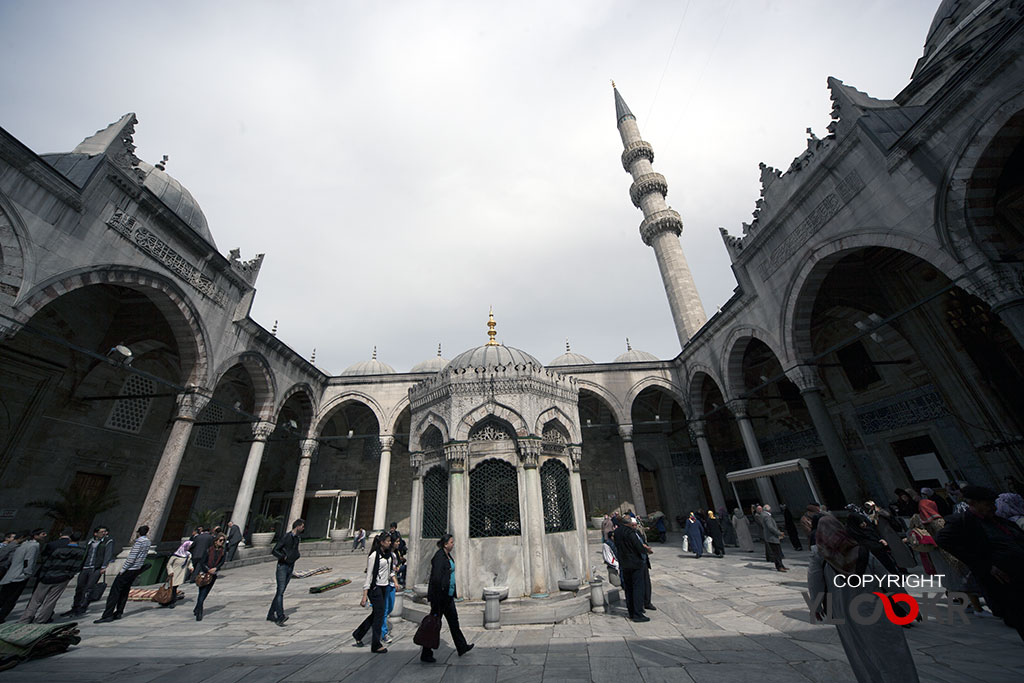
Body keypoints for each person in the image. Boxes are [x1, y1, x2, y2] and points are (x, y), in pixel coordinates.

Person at [807, 515, 920, 683]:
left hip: (844, 608)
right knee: (891, 647)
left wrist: (817, 608)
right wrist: (906, 603)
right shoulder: (861, 550)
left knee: (859, 651)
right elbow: (888, 580)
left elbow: (814, 582)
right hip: (874, 604)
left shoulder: (820, 557)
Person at [938, 485, 1024, 641]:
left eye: (993, 503)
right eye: (987, 504)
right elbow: (943, 540)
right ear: (973, 504)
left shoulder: (998, 520)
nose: (993, 507)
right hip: (1004, 580)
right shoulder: (963, 522)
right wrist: (983, 564)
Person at [420, 533, 473, 662]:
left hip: (447, 597)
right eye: (451, 542)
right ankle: (426, 653)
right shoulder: (439, 557)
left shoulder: (447, 555)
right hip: (440, 598)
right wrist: (439, 596)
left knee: (454, 622)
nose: (453, 544)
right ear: (445, 544)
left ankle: (462, 646)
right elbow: (437, 578)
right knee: (434, 625)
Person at [19, 530, 87, 624]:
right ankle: (41, 620)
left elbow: (47, 563)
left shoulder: (58, 549)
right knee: (51, 600)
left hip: (48, 576)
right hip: (62, 577)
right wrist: (69, 576)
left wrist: (42, 575)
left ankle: (25, 619)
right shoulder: (80, 551)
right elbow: (77, 566)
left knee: (35, 600)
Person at [94, 525, 151, 623]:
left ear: (138, 533)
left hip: (129, 569)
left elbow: (132, 557)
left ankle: (108, 614)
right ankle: (119, 612)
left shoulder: (139, 542)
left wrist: (123, 569)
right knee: (124, 590)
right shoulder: (147, 542)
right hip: (136, 568)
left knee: (114, 592)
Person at [352, 533, 394, 653]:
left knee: (376, 613)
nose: (389, 543)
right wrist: (364, 595)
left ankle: (358, 634)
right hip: (375, 588)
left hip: (384, 587)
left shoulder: (388, 555)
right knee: (379, 615)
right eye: (387, 541)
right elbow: (369, 576)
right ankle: (376, 644)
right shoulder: (374, 556)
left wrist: (394, 581)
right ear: (382, 542)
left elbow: (390, 571)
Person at [63, 525, 114, 617]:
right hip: (85, 567)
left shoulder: (107, 542)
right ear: (95, 533)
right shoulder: (89, 542)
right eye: (102, 532)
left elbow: (108, 554)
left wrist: (103, 567)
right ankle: (75, 606)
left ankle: (83, 606)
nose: (104, 533)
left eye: (105, 531)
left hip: (96, 568)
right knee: (80, 587)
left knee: (89, 588)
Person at [0, 528, 46, 623]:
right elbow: (29, 561)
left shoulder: (20, 545)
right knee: (11, 598)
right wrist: (27, 573)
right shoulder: (33, 546)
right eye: (43, 534)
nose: (45, 535)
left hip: (11, 574)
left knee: (4, 596)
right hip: (20, 576)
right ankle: (1, 617)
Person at [267, 518, 303, 626]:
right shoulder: (286, 537)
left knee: (280, 591)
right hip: (282, 566)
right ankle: (280, 616)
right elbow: (275, 550)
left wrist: (296, 556)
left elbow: (295, 550)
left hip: (290, 566)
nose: (303, 528)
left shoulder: (297, 538)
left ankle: (270, 614)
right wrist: (284, 557)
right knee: (280, 590)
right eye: (302, 526)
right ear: (297, 526)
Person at [613, 516, 648, 622]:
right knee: (638, 588)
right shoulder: (630, 532)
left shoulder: (617, 532)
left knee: (628, 589)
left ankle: (631, 612)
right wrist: (646, 549)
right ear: (629, 523)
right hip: (635, 563)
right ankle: (638, 613)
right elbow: (638, 546)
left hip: (624, 563)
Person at [864, 501, 915, 572]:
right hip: (881, 535)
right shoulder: (870, 515)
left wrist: (878, 511)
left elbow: (889, 516)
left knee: (898, 551)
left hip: (889, 533)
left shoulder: (881, 511)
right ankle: (899, 567)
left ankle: (903, 567)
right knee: (891, 552)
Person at [193, 533, 226, 621]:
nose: (222, 542)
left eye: (223, 541)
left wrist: (216, 568)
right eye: (220, 540)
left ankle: (197, 608)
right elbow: (202, 562)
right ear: (215, 541)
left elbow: (222, 562)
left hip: (214, 574)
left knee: (206, 592)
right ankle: (199, 612)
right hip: (205, 573)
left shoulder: (222, 552)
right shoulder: (208, 550)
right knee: (202, 592)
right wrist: (208, 569)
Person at [162, 537, 192, 609]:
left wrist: (191, 567)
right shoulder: (176, 555)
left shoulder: (188, 554)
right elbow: (169, 564)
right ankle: (170, 601)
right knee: (172, 587)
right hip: (174, 573)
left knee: (175, 587)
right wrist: (170, 571)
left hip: (181, 573)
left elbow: (189, 562)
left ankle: (171, 600)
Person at [761, 505, 788, 572]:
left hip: (771, 536)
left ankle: (781, 565)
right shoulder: (767, 517)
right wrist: (779, 533)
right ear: (768, 510)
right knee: (777, 552)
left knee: (777, 552)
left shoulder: (765, 515)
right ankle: (779, 566)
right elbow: (771, 527)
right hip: (772, 537)